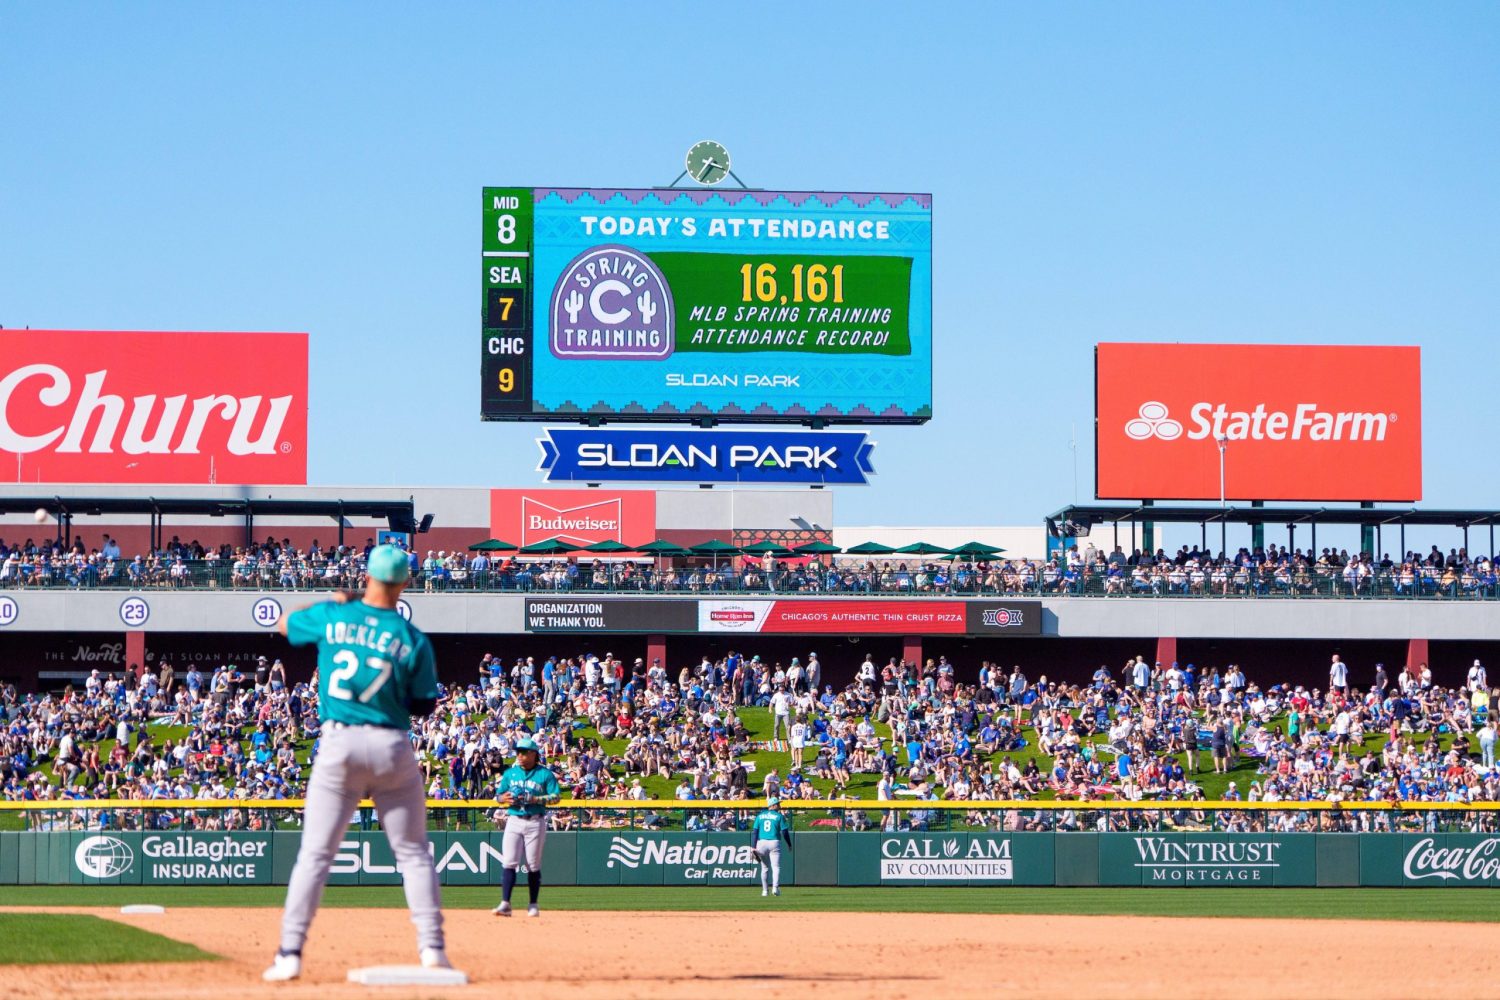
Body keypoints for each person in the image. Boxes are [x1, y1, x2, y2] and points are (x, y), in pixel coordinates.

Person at [262, 544, 449, 982]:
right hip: (391, 745)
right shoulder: (412, 638)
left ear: (366, 575)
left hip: (339, 743)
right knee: (414, 855)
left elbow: (284, 622)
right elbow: (423, 705)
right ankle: (432, 950)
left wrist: (334, 602)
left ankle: (290, 953)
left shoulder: (334, 616)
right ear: (405, 583)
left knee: (315, 855)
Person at [492, 736, 561, 918]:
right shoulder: (510, 773)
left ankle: (533, 904)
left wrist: (536, 799)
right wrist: (503, 798)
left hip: (535, 821)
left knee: (533, 864)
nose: (520, 755)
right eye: (518, 752)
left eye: (523, 752)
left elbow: (556, 797)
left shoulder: (544, 774)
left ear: (533, 754)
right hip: (514, 819)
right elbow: (498, 796)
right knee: (509, 861)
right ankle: (505, 903)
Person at [751, 797, 792, 897]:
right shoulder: (779, 816)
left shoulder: (760, 816)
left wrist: (753, 846)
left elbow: (755, 832)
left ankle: (765, 891)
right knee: (776, 867)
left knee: (764, 868)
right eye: (778, 804)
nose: (779, 805)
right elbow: (785, 832)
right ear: (772, 805)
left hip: (762, 842)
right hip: (774, 841)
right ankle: (775, 888)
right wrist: (789, 843)